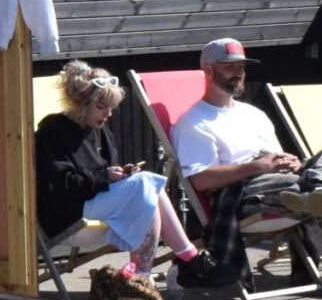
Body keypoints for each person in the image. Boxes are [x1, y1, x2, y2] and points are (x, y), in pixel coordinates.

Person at [172, 38, 322, 300]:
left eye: (242, 66)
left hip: (287, 183)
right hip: (243, 194)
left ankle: (319, 183)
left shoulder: (253, 114)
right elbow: (200, 181)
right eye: (230, 66)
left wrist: (290, 162)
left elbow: (275, 155)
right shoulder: (194, 122)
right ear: (207, 70)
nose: (239, 72)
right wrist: (257, 166)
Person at [35, 61, 211, 288]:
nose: (108, 114)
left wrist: (121, 175)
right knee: (147, 184)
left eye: (111, 107)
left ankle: (147, 276)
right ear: (80, 103)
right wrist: (104, 177)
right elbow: (57, 186)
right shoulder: (52, 130)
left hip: (94, 204)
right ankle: (182, 259)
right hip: (67, 213)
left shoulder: (100, 132)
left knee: (147, 187)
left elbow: (102, 177)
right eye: (102, 107)